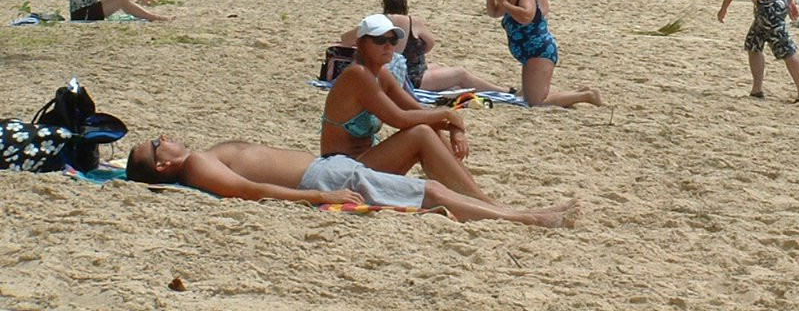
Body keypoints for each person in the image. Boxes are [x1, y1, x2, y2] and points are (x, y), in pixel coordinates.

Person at [125, 135, 578, 226]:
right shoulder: (196, 166)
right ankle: (525, 217)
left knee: (430, 190)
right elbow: (251, 191)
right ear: (163, 167)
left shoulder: (194, 162)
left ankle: (511, 211)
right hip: (324, 176)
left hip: (329, 168)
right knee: (432, 193)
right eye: (156, 144)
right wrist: (319, 195)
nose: (164, 137)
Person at [321, 14, 495, 202]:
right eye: (380, 40)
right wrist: (446, 113)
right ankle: (478, 200)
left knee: (428, 128)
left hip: (362, 163)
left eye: (393, 40)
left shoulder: (382, 75)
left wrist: (455, 128)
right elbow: (399, 119)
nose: (388, 46)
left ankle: (476, 196)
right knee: (421, 132)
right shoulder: (357, 75)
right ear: (361, 44)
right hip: (340, 172)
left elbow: (419, 111)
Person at [484, 0, 602, 108]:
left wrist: (504, 3)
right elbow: (494, 12)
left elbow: (527, 15)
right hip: (529, 53)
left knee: (536, 102)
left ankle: (587, 96)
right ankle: (580, 91)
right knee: (530, 97)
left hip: (539, 50)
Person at [338, 0, 507, 93]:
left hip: (392, 70)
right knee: (460, 73)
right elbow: (431, 44)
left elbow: (345, 39)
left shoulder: (377, 22)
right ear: (405, 5)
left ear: (384, 4)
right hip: (411, 77)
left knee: (438, 66)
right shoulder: (413, 21)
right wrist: (415, 53)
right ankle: (503, 91)